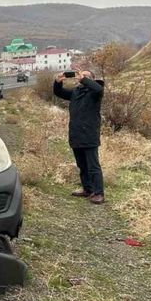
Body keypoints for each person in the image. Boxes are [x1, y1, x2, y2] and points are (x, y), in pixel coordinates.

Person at [53, 70, 105, 204]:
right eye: (82, 76)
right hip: (76, 135)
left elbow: (98, 88)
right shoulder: (76, 92)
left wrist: (83, 79)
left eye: (87, 76)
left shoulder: (95, 92)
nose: (82, 78)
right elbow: (59, 93)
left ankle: (99, 193)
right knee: (82, 165)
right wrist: (58, 82)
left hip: (89, 135)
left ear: (92, 79)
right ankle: (87, 189)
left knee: (93, 166)